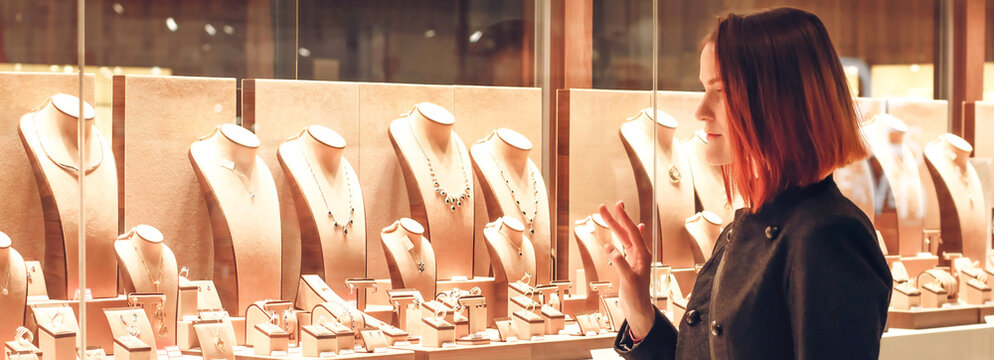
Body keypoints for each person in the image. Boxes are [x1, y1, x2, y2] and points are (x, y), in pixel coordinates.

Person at [601, 7, 893, 360]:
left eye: (720, 91)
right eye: (703, 89)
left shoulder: (829, 235)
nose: (701, 111)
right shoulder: (749, 224)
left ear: (778, 101)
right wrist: (639, 311)